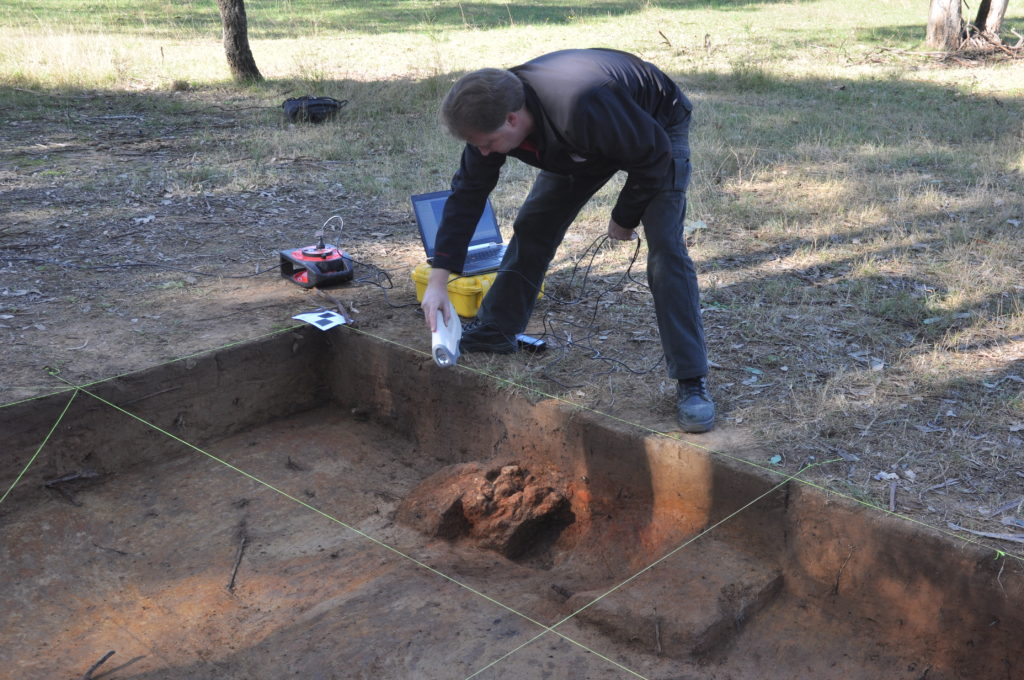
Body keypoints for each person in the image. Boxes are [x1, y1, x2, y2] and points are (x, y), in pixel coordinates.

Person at [420, 48, 714, 433]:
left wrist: (624, 217)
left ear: (512, 119)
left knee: (666, 249)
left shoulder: (582, 104)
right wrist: (439, 280)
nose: (483, 152)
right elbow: (467, 194)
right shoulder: (489, 110)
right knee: (535, 224)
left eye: (487, 143)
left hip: (654, 124)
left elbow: (654, 155)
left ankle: (692, 380)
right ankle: (496, 331)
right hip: (576, 140)